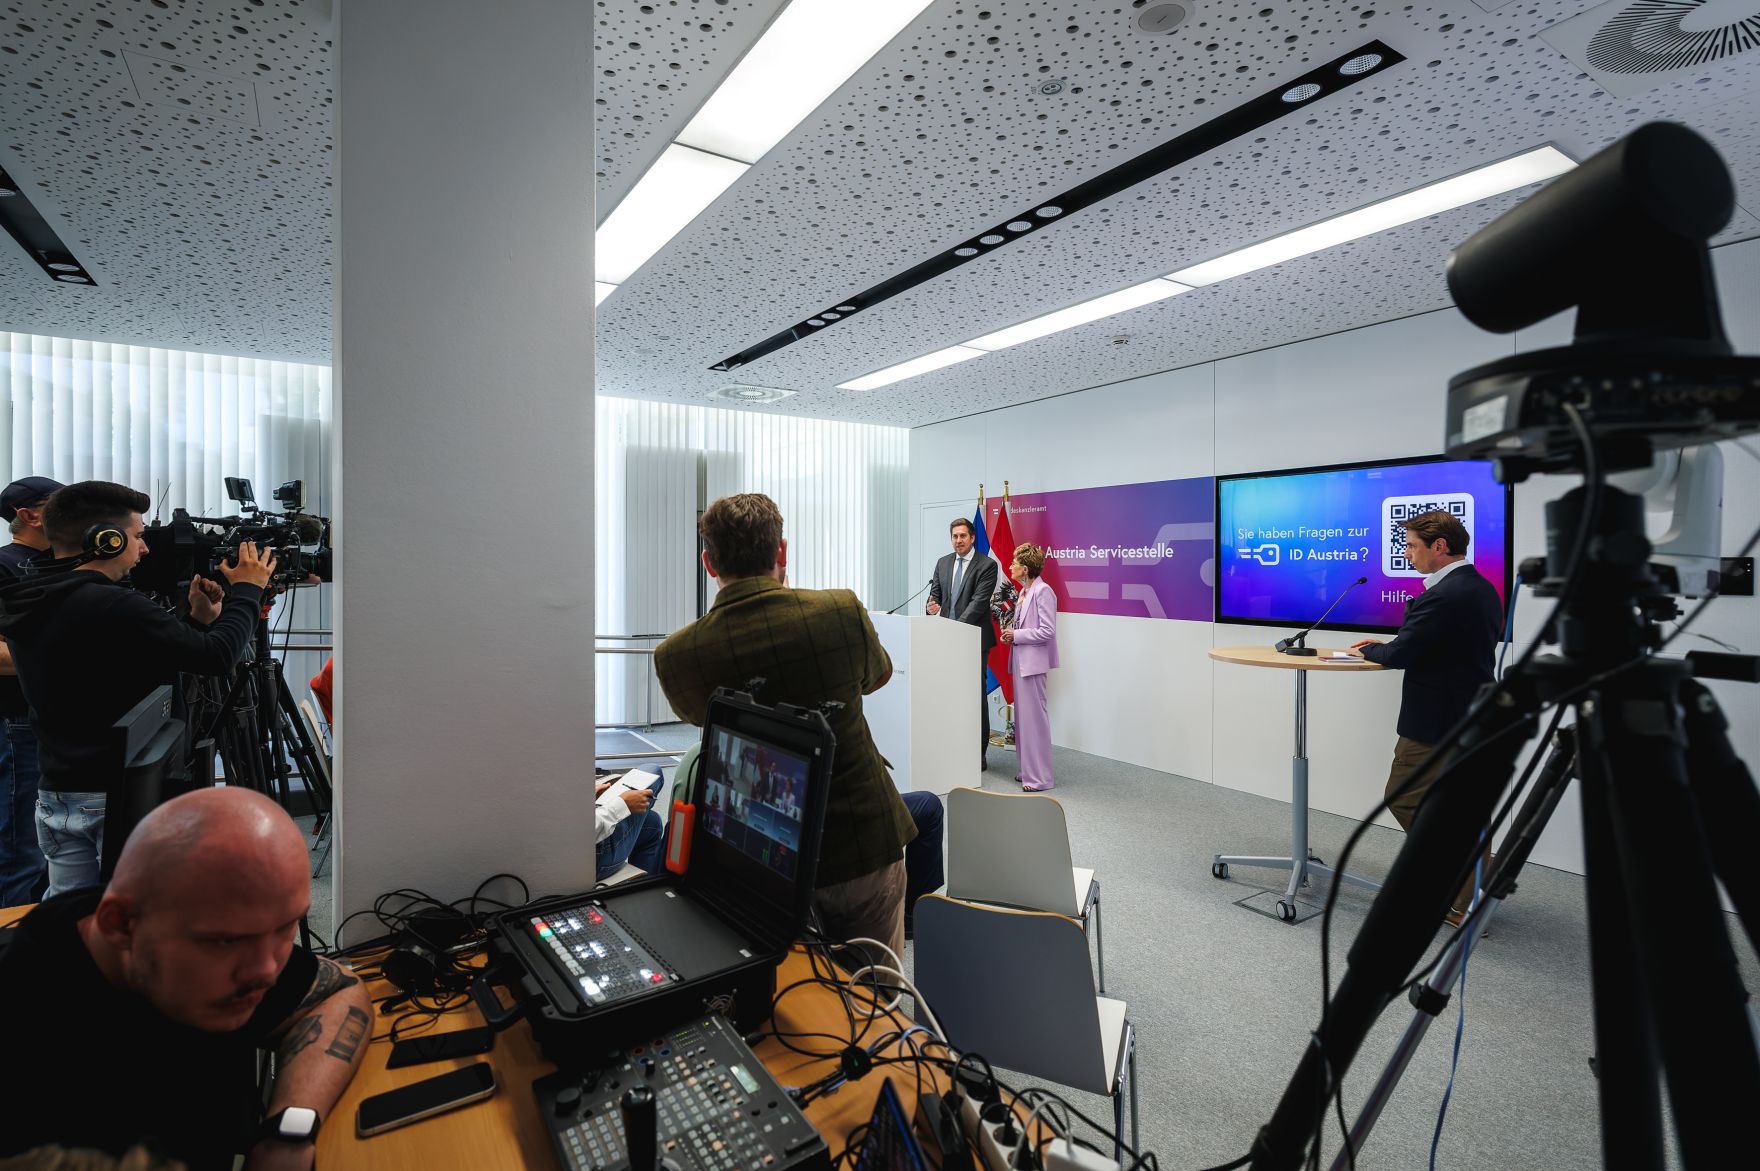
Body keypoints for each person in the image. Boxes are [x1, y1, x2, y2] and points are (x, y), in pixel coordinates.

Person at [0, 787, 371, 1171]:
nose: (266, 970)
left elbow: (340, 991)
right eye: (225, 940)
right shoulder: (27, 1057)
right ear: (119, 925)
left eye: (285, 927)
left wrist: (287, 1133)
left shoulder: (180, 926)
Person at [654, 493, 916, 963]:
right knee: (879, 1011)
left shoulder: (678, 656)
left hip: (756, 856)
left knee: (788, 1007)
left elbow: (701, 718)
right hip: (862, 844)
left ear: (708, 564)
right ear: (782, 552)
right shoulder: (839, 612)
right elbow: (876, 678)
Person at [0, 481, 275, 896]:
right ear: (106, 540)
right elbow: (216, 657)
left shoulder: (37, 595)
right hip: (114, 791)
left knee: (69, 915)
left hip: (59, 790)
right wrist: (249, 592)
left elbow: (121, 665)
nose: (144, 549)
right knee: (133, 915)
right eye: (138, 536)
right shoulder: (113, 604)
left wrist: (197, 622)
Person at [1346, 508, 1504, 925]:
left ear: (1440, 546)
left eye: (1413, 546)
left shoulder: (1449, 594)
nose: (1408, 553)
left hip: (1438, 720)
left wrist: (1369, 650)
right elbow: (1433, 644)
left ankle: (1456, 886)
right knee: (1463, 806)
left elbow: (1403, 653)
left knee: (1407, 795)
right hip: (1466, 715)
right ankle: (1472, 895)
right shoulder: (1478, 588)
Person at [0, 476, 62, 904]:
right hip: (16, 724)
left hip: (53, 724)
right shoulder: (5, 565)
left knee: (50, 847)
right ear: (29, 515)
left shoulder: (66, 564)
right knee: (21, 846)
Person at [927, 518, 999, 769]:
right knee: (949, 693)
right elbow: (935, 595)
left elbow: (978, 604)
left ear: (972, 538)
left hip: (972, 640)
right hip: (946, 640)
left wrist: (955, 631)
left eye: (962, 536)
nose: (958, 541)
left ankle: (978, 753)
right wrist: (930, 606)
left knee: (974, 696)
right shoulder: (943, 563)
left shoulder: (987, 565)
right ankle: (951, 744)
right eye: (954, 536)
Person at [1000, 543, 1060, 792]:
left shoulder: (1043, 591)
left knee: (1034, 722)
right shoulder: (1026, 591)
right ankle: (1028, 771)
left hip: (1033, 665)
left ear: (1025, 569)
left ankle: (1040, 778)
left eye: (1014, 563)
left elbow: (1048, 630)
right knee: (1024, 722)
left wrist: (1018, 634)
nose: (1010, 566)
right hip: (1021, 663)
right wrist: (1012, 635)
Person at [595, 772, 666, 881]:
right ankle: (645, 885)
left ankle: (642, 884)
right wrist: (623, 804)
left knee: (652, 822)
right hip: (590, 860)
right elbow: (582, 830)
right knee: (653, 771)